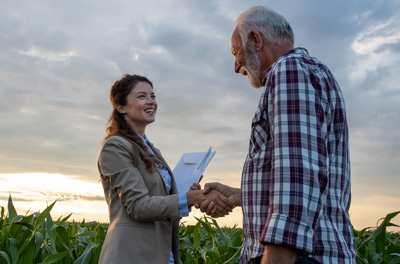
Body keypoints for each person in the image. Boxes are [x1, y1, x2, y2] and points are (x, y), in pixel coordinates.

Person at [195, 6, 356, 264]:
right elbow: (307, 173)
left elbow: (297, 173)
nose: (237, 66)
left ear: (256, 40)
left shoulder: (290, 70)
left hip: (297, 258)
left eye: (236, 52)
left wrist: (277, 257)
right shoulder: (309, 72)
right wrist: (238, 195)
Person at [97, 74, 233, 264]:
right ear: (120, 107)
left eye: (153, 96)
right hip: (132, 254)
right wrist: (189, 198)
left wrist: (187, 194)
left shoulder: (152, 149)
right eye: (142, 96)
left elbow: (160, 200)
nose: (151, 101)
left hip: (163, 254)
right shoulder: (116, 146)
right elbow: (138, 206)